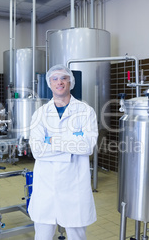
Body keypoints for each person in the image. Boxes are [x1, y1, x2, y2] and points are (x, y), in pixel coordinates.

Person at [28, 64, 98, 240]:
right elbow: (37, 150)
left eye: (64, 78)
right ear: (50, 84)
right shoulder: (40, 114)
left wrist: (50, 140)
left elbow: (87, 146)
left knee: (77, 235)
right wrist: (71, 144)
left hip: (74, 185)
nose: (59, 82)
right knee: (43, 235)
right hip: (46, 186)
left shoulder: (85, 112)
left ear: (70, 82)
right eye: (55, 79)